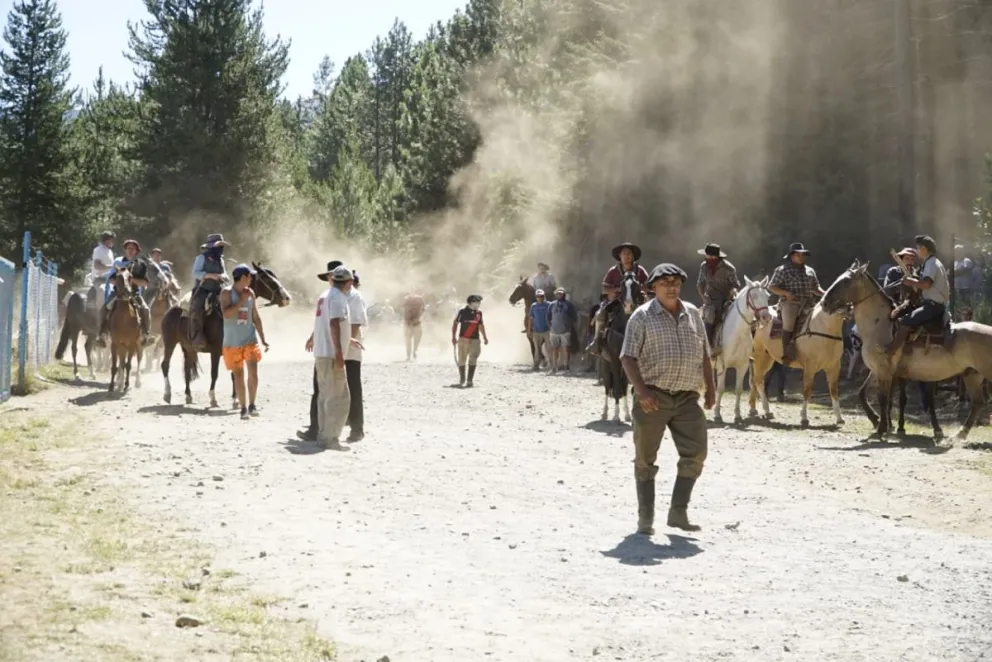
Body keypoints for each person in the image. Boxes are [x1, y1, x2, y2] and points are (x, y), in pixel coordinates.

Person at [620, 263, 716, 535]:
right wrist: (642, 392)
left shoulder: (693, 313)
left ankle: (678, 513)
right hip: (653, 397)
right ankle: (646, 518)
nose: (671, 288)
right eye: (665, 283)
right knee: (645, 458)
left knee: (696, 452)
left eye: (675, 283)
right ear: (654, 287)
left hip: (687, 397)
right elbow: (627, 357)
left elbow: (705, 354)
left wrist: (711, 388)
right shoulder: (641, 316)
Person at [309, 265, 356, 449]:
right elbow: (334, 323)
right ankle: (331, 438)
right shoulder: (338, 298)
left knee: (324, 397)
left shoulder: (325, 295)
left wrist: (348, 339)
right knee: (339, 398)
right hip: (331, 354)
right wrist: (339, 353)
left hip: (321, 353)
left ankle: (323, 435)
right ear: (349, 282)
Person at [298, 260, 343, 442]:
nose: (330, 278)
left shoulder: (332, 296)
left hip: (328, 350)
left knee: (325, 393)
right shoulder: (329, 296)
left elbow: (334, 323)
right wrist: (313, 336)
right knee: (324, 392)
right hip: (327, 349)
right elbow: (324, 322)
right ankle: (320, 429)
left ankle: (322, 430)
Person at [886, 234, 950, 358]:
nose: (916, 251)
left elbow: (926, 284)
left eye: (918, 248)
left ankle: (891, 351)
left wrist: (910, 281)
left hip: (933, 305)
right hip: (930, 304)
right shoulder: (929, 263)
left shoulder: (932, 263)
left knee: (905, 321)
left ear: (924, 249)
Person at [221, 263, 269, 420]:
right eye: (249, 276)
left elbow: (255, 316)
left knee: (253, 373)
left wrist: (263, 338)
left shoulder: (251, 293)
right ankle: (243, 408)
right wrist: (241, 300)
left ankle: (252, 404)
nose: (251, 279)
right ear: (243, 277)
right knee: (239, 375)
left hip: (250, 339)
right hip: (232, 342)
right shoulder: (226, 293)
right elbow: (227, 314)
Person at [767, 242, 824, 366]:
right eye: (798, 255)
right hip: (790, 303)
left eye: (803, 255)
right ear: (792, 256)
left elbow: (815, 288)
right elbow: (772, 286)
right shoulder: (782, 270)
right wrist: (786, 293)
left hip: (809, 303)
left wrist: (825, 294)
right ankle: (787, 354)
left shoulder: (810, 271)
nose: (801, 257)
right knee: (789, 323)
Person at [588, 242, 650, 355]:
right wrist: (618, 289)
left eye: (629, 253)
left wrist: (637, 288)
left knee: (651, 313)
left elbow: (648, 285)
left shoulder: (640, 270)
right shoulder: (613, 270)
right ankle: (597, 341)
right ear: (619, 256)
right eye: (624, 254)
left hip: (637, 300)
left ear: (633, 256)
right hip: (616, 300)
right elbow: (605, 287)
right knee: (601, 314)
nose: (627, 256)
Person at [95, 238, 153, 348]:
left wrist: (131, 280)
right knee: (104, 308)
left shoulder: (141, 264)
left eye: (133, 248)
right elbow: (111, 279)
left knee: (145, 309)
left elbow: (145, 282)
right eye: (128, 248)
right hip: (118, 292)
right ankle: (102, 335)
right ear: (125, 250)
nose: (130, 250)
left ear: (136, 251)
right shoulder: (118, 263)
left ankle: (146, 335)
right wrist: (120, 282)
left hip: (134, 293)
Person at [695, 242, 740, 355]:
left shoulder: (729, 268)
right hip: (711, 299)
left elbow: (735, 284)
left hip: (727, 299)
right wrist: (703, 297)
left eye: (707, 255)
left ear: (714, 257)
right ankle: (709, 346)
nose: (705, 257)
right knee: (710, 315)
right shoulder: (704, 266)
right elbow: (700, 284)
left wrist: (733, 291)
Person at [190, 233, 231, 350]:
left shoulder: (220, 259)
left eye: (221, 246)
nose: (221, 248)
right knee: (197, 307)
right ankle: (197, 336)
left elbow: (225, 274)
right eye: (219, 246)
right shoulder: (201, 258)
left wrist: (223, 276)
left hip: (219, 289)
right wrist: (210, 275)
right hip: (203, 289)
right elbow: (195, 273)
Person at [344, 270, 369, 442]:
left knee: (353, 386)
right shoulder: (340, 296)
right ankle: (345, 419)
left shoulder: (355, 297)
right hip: (341, 345)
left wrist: (347, 342)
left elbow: (356, 323)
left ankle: (357, 428)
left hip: (351, 348)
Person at [451, 294, 489, 387]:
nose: (479, 304)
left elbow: (480, 325)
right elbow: (455, 323)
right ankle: (462, 378)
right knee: (462, 359)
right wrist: (453, 337)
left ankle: (469, 380)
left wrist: (484, 337)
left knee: (473, 359)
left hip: (475, 339)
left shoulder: (479, 313)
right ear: (471, 302)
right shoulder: (462, 312)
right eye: (477, 302)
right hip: (463, 339)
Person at [547, 287, 577, 373]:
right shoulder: (552, 304)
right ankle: (554, 367)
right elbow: (548, 316)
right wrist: (550, 326)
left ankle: (566, 367)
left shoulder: (569, 305)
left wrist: (568, 326)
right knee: (554, 349)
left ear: (564, 294)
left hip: (565, 331)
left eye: (561, 293)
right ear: (556, 294)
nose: (559, 295)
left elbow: (574, 317)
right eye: (558, 293)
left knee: (566, 348)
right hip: (554, 331)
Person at [528, 289, 552, 370]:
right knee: (537, 349)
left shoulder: (549, 304)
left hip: (547, 330)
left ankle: (551, 364)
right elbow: (531, 318)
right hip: (536, 331)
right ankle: (536, 365)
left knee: (549, 348)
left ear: (544, 296)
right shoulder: (533, 306)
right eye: (538, 296)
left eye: (541, 296)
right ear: (536, 297)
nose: (540, 298)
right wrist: (529, 329)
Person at [402, 290, 426, 361]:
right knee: (408, 340)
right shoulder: (406, 299)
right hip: (408, 322)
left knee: (417, 338)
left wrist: (418, 318)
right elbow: (403, 309)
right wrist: (406, 320)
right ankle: (408, 355)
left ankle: (414, 351)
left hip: (417, 321)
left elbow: (423, 309)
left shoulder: (419, 299)